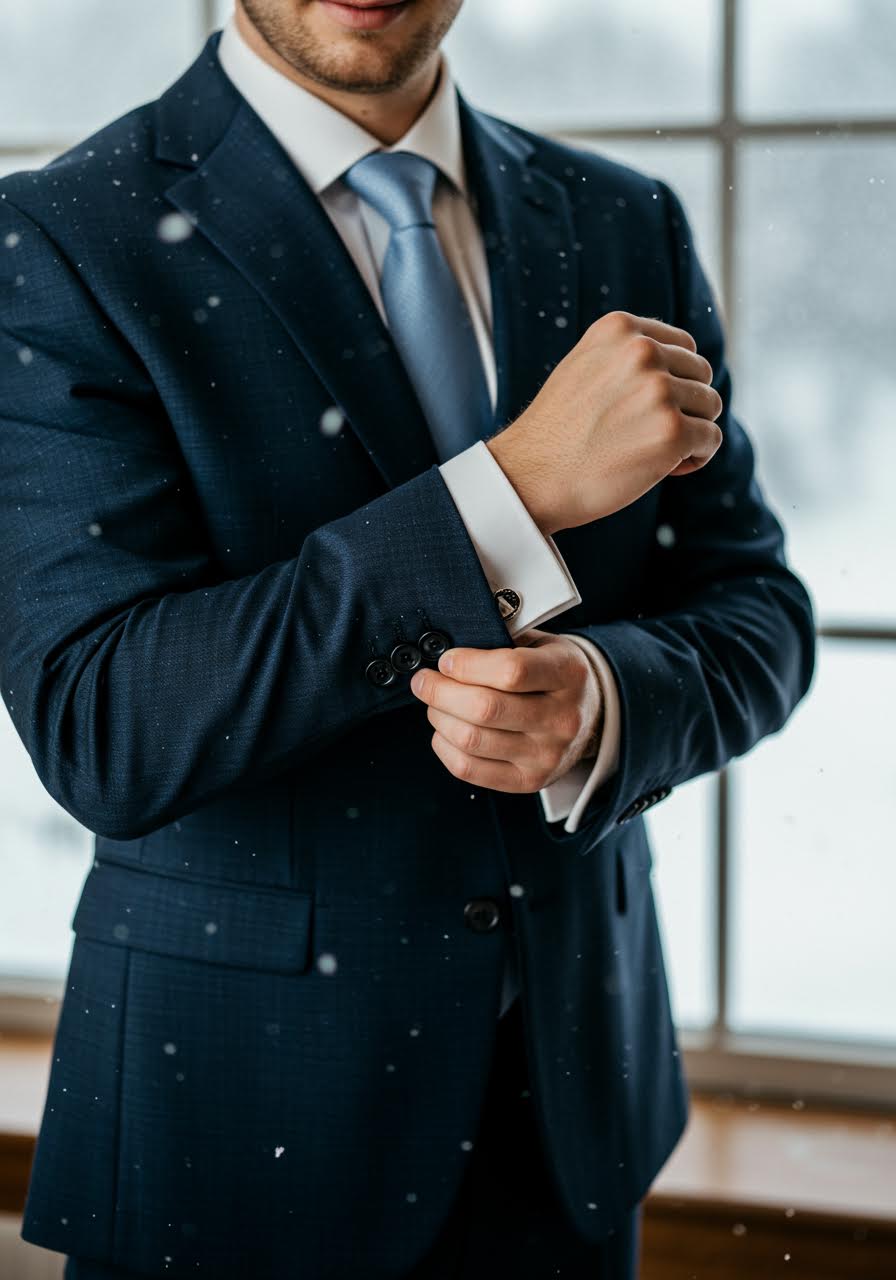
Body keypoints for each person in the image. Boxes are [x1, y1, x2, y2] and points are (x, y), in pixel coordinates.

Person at [0, 1, 815, 1276]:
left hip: (571, 1124)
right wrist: (506, 497)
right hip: (236, 1131)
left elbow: (758, 609)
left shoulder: (621, 220)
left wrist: (603, 700)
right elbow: (103, 717)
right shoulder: (57, 236)